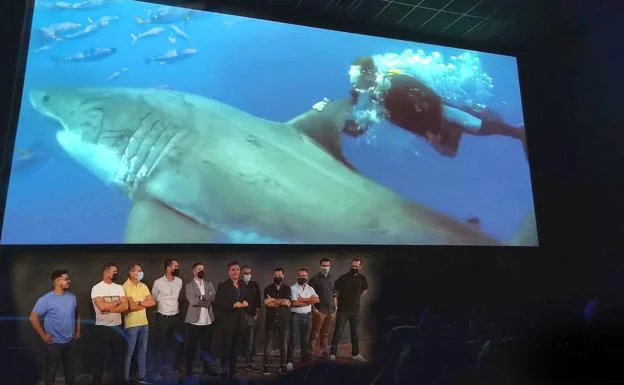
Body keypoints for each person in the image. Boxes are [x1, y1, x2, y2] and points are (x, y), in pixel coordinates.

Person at [346, 55, 527, 158]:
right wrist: (347, 126)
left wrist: (432, 131)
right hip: (423, 125)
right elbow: (362, 123)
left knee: (476, 127)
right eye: (352, 76)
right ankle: (473, 112)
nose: (354, 81)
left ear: (371, 73)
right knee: (449, 152)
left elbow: (433, 99)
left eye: (357, 75)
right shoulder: (363, 95)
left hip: (440, 114)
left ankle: (518, 132)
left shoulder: (397, 82)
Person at [29, 270, 80, 385]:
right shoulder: (46, 299)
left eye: (69, 279)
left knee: (70, 374)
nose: (69, 281)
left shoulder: (72, 297)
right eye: (66, 279)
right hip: (54, 343)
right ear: (57, 281)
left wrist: (78, 330)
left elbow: (77, 314)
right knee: (50, 374)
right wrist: (43, 336)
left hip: (70, 342)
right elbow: (33, 317)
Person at [91, 262, 129, 385]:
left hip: (117, 328)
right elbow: (101, 307)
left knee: (118, 359)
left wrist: (109, 307)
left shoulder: (119, 288)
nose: (116, 273)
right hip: (102, 329)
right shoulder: (97, 288)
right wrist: (116, 303)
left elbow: (125, 306)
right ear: (106, 273)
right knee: (99, 360)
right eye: (114, 271)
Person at [213, 261, 249, 377]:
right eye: (233, 270)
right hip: (227, 322)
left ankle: (233, 369)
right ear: (228, 272)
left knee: (235, 347)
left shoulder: (243, 285)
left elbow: (246, 298)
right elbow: (218, 303)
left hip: (240, 321)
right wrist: (233, 305)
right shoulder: (222, 286)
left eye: (237, 269)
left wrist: (245, 302)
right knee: (226, 347)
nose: (235, 272)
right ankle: (224, 369)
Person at [330, 258, 368, 362]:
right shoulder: (343, 278)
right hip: (343, 310)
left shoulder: (362, 278)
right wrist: (336, 304)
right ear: (350, 266)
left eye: (356, 266)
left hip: (355, 311)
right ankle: (332, 353)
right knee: (338, 332)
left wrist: (356, 298)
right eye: (353, 266)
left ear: (360, 267)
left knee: (355, 333)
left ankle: (355, 354)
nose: (354, 268)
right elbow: (334, 290)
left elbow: (364, 289)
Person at [122, 264, 155, 385]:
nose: (141, 272)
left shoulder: (144, 286)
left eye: (141, 270)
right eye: (139, 271)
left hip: (144, 323)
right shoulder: (125, 286)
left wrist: (139, 303)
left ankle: (142, 377)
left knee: (143, 351)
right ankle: (125, 378)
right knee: (129, 353)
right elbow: (130, 306)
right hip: (131, 324)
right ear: (131, 273)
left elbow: (152, 302)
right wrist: (143, 303)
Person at [151, 259, 184, 376]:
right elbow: (153, 298)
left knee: (179, 342)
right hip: (163, 318)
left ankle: (176, 368)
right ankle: (158, 370)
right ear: (169, 268)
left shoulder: (179, 281)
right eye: (176, 266)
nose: (178, 268)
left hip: (176, 317)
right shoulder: (158, 282)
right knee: (160, 344)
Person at [184, 262, 216, 376]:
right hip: (193, 321)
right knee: (191, 347)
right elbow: (193, 301)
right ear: (194, 271)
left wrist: (202, 297)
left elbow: (213, 297)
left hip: (207, 321)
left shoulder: (209, 283)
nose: (201, 271)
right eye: (199, 269)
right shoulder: (189, 285)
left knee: (206, 348)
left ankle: (207, 369)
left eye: (203, 269)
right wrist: (205, 301)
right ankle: (188, 370)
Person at [286, 268, 319, 371]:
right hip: (296, 316)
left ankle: (304, 360)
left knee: (305, 340)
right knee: (293, 339)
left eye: (304, 276)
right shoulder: (292, 288)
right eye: (300, 276)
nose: (302, 277)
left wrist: (303, 300)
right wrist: (310, 301)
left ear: (307, 277)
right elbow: (295, 303)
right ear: (297, 276)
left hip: (308, 316)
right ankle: (289, 362)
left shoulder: (310, 288)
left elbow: (317, 300)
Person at [262, 267, 291, 375]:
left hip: (283, 320)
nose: (277, 277)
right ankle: (266, 366)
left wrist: (273, 299)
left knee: (283, 345)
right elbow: (267, 303)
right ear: (273, 276)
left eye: (279, 275)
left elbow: (287, 303)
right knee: (268, 345)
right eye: (276, 275)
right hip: (270, 320)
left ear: (283, 276)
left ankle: (283, 367)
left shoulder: (287, 289)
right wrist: (281, 301)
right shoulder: (267, 288)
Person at [308, 258, 336, 359]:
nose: (325, 268)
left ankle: (324, 352)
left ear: (330, 266)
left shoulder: (332, 279)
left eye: (327, 266)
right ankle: (310, 352)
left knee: (325, 333)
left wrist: (335, 308)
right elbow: (309, 296)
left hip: (330, 311)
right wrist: (314, 309)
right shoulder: (314, 280)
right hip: (320, 311)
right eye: (324, 266)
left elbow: (334, 294)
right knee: (315, 332)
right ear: (320, 266)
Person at [240, 265, 262, 370]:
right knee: (239, 339)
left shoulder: (254, 285)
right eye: (245, 273)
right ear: (241, 274)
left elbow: (258, 301)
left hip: (252, 316)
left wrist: (257, 314)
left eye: (249, 273)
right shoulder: (238, 284)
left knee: (250, 340)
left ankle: (249, 361)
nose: (247, 275)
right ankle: (238, 360)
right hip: (239, 316)